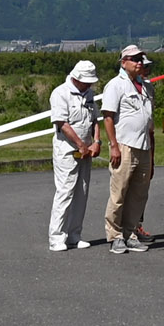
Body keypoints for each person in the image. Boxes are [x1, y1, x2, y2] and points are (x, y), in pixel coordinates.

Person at [98, 44, 159, 254]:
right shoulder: (115, 85)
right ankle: (115, 236)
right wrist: (114, 146)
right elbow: (108, 117)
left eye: (141, 59)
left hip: (144, 144)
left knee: (139, 193)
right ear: (123, 62)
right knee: (119, 193)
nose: (139, 63)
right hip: (124, 144)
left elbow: (149, 118)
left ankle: (130, 233)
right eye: (134, 59)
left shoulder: (147, 87)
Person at [47, 58, 103, 253]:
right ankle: (56, 237)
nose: (89, 85)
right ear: (76, 78)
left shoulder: (89, 94)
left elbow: (95, 120)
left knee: (82, 192)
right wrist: (80, 145)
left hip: (86, 150)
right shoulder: (60, 93)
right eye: (86, 81)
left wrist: (96, 142)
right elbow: (62, 124)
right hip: (67, 150)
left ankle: (74, 235)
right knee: (65, 191)